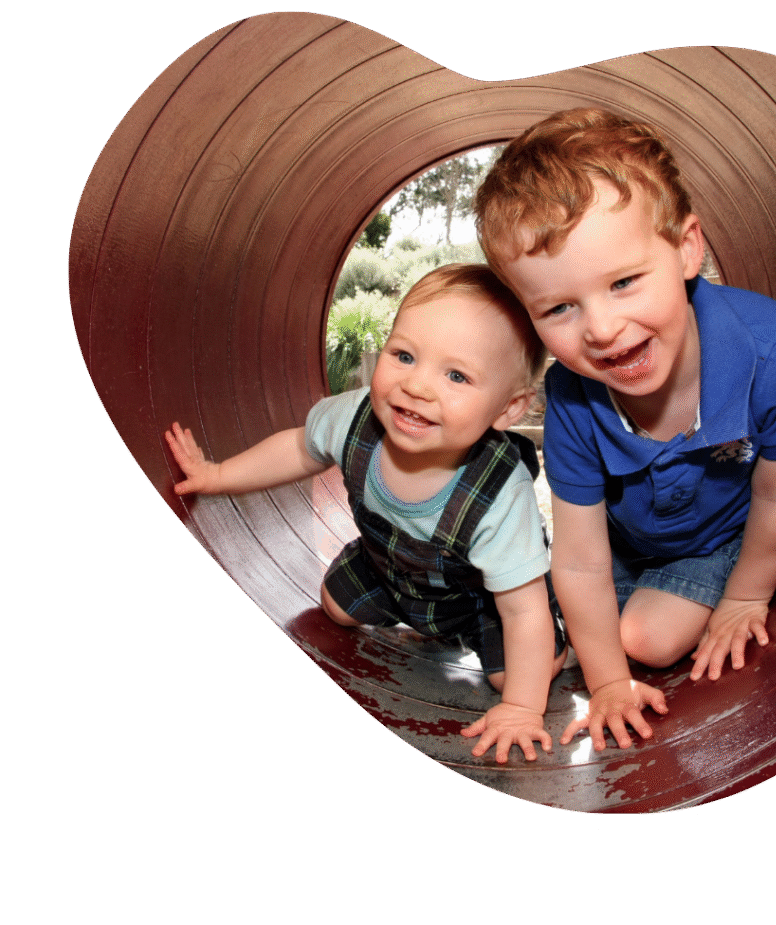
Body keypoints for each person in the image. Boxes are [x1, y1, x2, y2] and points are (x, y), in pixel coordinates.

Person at [474, 108, 776, 752]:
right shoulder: (573, 394)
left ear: (686, 248)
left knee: (645, 638)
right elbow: (582, 557)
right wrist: (608, 685)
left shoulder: (774, 349)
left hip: (720, 539)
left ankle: (673, 600)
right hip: (626, 546)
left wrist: (744, 599)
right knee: (521, 653)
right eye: (559, 307)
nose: (601, 329)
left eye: (623, 282)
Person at [166, 263, 567, 763]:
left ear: (508, 409)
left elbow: (522, 610)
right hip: (388, 567)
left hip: (481, 597)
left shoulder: (500, 495)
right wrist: (218, 475)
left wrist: (523, 708)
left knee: (513, 674)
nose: (416, 386)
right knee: (333, 607)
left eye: (456, 375)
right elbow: (299, 449)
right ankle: (409, 612)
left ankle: (559, 641)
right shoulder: (355, 416)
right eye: (404, 356)